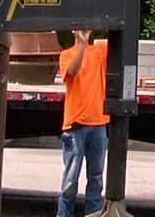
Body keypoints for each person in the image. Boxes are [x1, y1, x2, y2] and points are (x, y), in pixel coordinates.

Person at [56, 26, 109, 217]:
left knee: (96, 178)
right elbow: (72, 71)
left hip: (98, 124)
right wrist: (82, 44)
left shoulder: (99, 52)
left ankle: (93, 214)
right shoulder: (66, 55)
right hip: (75, 126)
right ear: (72, 30)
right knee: (70, 181)